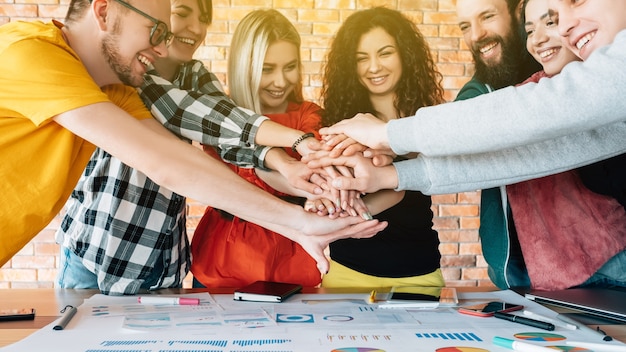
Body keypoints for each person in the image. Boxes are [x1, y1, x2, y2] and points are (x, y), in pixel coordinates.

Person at [0, 0, 387, 270]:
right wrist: (297, 205)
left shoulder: (116, 89)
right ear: (103, 10)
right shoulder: (31, 53)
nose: (162, 45)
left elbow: (184, 163)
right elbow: (164, 161)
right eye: (155, 29)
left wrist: (295, 225)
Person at [306, 0, 626, 288]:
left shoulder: (578, 85)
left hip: (592, 266)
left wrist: (390, 136)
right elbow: (529, 157)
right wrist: (388, 175)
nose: (565, 26)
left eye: (576, 2)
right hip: (547, 275)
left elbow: (540, 111)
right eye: (533, 28)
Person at [190, 9, 326, 288]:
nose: (280, 81)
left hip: (292, 261)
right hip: (223, 262)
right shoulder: (220, 117)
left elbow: (314, 168)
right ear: (245, 67)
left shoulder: (309, 115)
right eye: (267, 69)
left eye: (289, 67)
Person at [315, 7, 445, 288]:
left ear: (405, 55)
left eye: (385, 53)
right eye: (362, 58)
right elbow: (333, 194)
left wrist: (347, 214)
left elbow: (406, 184)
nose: (374, 67)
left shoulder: (429, 120)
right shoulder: (342, 126)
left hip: (417, 274)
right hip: (347, 272)